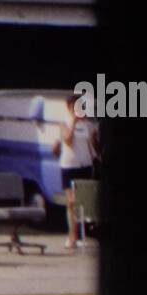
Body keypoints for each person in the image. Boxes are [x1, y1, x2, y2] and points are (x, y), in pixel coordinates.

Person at [58, 94, 99, 250]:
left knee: (83, 201)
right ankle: (72, 235)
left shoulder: (89, 125)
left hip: (85, 164)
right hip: (69, 165)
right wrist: (74, 122)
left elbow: (94, 145)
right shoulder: (64, 124)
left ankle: (84, 234)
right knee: (71, 202)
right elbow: (67, 140)